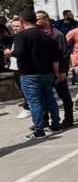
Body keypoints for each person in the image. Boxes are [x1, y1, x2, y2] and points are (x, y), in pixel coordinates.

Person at [12, 10, 62, 139]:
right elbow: (55, 57)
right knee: (50, 98)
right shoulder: (46, 35)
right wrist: (56, 72)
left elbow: (19, 53)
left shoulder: (21, 36)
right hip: (47, 73)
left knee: (34, 102)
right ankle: (56, 124)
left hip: (29, 74)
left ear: (22, 22)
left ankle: (39, 130)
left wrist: (9, 53)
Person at [36, 10, 74, 129]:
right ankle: (44, 120)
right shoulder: (37, 34)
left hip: (58, 70)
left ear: (46, 20)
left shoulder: (57, 35)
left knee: (64, 94)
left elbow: (64, 53)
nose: (36, 21)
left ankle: (68, 119)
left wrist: (63, 70)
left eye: (38, 19)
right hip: (44, 71)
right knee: (43, 96)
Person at [54, 10, 78, 85]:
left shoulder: (75, 23)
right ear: (65, 16)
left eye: (72, 14)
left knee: (75, 62)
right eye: (70, 14)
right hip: (62, 46)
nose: (72, 15)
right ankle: (63, 78)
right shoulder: (59, 23)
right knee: (64, 63)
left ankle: (76, 78)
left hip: (73, 45)